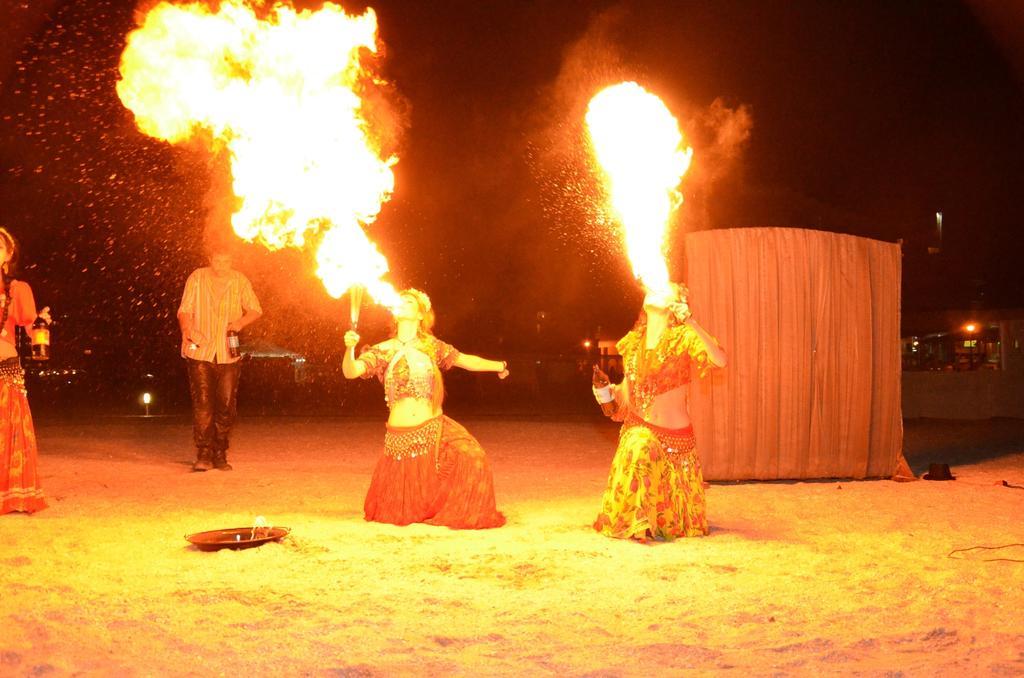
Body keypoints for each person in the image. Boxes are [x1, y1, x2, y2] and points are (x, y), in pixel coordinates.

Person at [342, 288, 507, 529]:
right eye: (401, 301)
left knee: (474, 458)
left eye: (410, 301)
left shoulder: (432, 346)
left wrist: (499, 365)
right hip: (401, 441)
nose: (403, 303)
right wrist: (349, 349)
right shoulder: (383, 350)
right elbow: (351, 371)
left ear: (421, 314)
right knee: (400, 511)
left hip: (434, 429)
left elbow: (466, 360)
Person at [592, 282, 726, 541]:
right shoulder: (632, 344)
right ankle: (638, 522)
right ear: (644, 303)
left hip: (675, 444)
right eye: (652, 288)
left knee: (641, 442)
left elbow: (720, 360)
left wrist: (691, 322)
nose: (656, 288)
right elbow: (624, 397)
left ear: (676, 304)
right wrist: (604, 392)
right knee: (639, 441)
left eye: (666, 288)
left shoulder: (685, 336)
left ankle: (648, 519)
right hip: (638, 430)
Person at [177, 244, 262, 472]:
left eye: (226, 262)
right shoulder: (197, 277)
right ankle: (203, 452)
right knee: (203, 404)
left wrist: (239, 323)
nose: (221, 266)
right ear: (210, 258)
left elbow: (255, 309)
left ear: (232, 261)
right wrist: (186, 329)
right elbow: (185, 309)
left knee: (225, 405)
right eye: (217, 261)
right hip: (200, 349)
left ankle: (219, 452)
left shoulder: (239, 280)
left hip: (228, 353)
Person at [0, 227, 50, 514]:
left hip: (5, 368)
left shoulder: (17, 289)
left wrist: (42, 326)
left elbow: (31, 325)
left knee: (9, 433)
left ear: (9, 255)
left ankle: (12, 496)